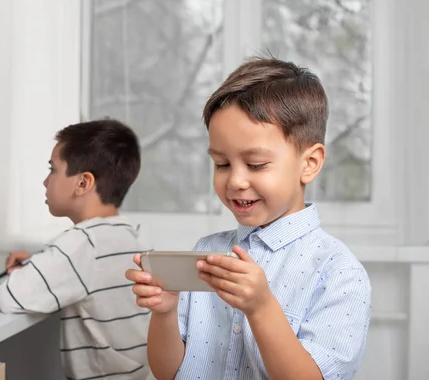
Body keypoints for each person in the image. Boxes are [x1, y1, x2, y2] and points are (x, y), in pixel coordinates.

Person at [126, 57, 372, 380]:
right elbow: (168, 372)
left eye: (255, 164)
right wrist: (165, 313)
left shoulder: (339, 273)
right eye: (222, 164)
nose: (235, 182)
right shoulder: (207, 252)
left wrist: (261, 308)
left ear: (309, 163)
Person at [0, 119, 151, 380]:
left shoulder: (81, 244)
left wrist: (24, 272)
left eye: (52, 169)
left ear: (83, 183)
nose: (46, 182)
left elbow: (11, 296)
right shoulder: (131, 236)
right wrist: (43, 261)